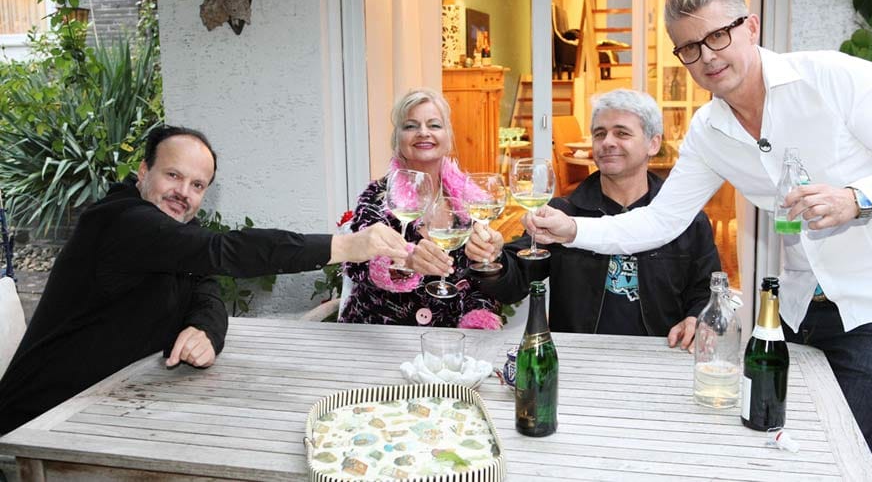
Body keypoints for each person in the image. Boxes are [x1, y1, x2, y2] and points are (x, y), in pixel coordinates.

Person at [523, 0, 872, 456]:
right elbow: (661, 220)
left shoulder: (834, 77)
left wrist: (857, 197)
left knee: (843, 449)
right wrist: (572, 228)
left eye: (717, 35)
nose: (707, 56)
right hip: (792, 308)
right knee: (777, 440)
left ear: (751, 27)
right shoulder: (708, 131)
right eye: (689, 47)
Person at [0, 125, 408, 435]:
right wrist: (345, 246)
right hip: (37, 427)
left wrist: (204, 330)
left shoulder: (169, 235)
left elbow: (206, 289)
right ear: (143, 171)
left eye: (197, 185)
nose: (184, 192)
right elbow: (224, 252)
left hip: (108, 409)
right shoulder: (122, 222)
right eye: (173, 176)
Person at [468, 89, 721, 342]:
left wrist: (697, 318)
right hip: (578, 356)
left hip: (660, 354)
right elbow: (513, 284)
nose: (608, 142)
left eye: (622, 133)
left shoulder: (685, 220)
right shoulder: (564, 212)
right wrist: (493, 258)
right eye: (600, 134)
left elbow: (706, 293)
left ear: (653, 143)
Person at [339, 89, 502, 328]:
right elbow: (357, 263)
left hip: (451, 340)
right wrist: (405, 260)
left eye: (434, 125)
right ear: (398, 139)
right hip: (381, 333)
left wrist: (478, 318)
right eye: (411, 126)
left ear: (448, 137)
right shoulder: (379, 197)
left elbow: (481, 282)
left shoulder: (469, 202)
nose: (423, 132)